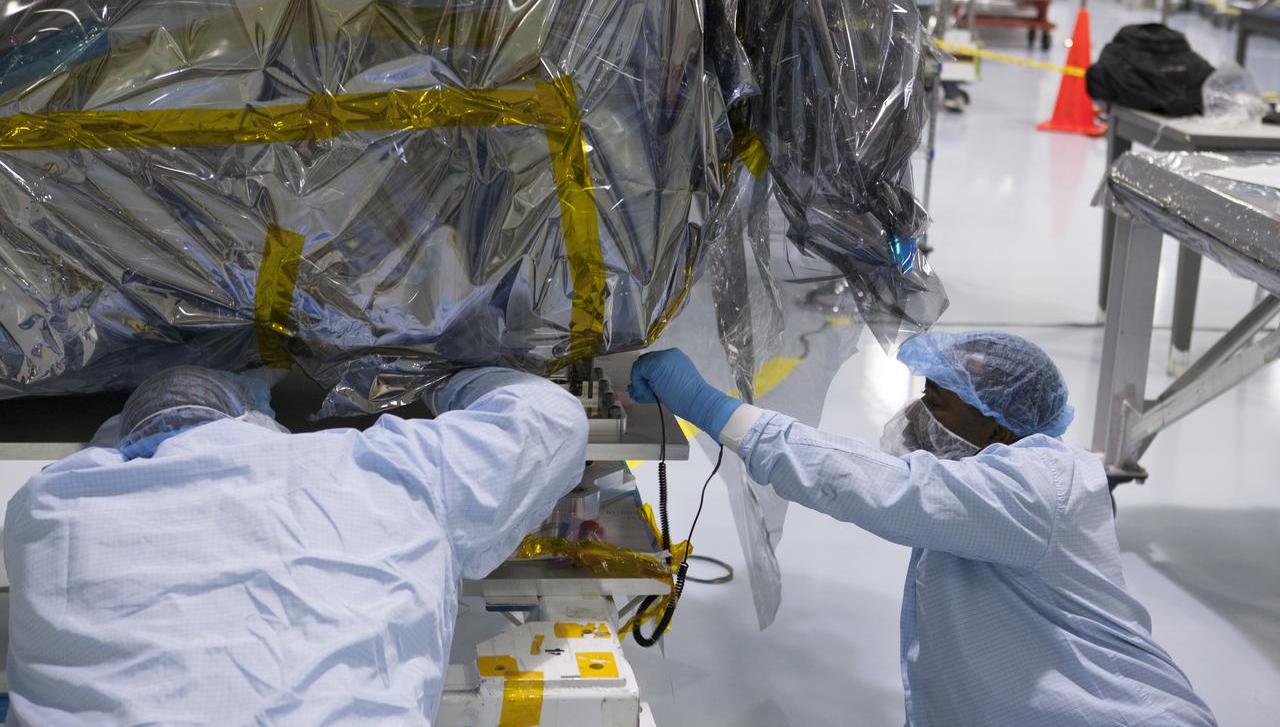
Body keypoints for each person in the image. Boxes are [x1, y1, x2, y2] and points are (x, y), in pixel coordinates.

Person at [629, 331, 1217, 727]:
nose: (918, 414)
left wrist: (709, 407)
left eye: (939, 401)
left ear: (999, 424)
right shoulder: (988, 482)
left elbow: (886, 489)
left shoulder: (1038, 486)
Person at [4, 364, 588, 725]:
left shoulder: (50, 506)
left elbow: (110, 447)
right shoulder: (389, 469)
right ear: (255, 419)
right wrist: (437, 373)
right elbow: (551, 420)